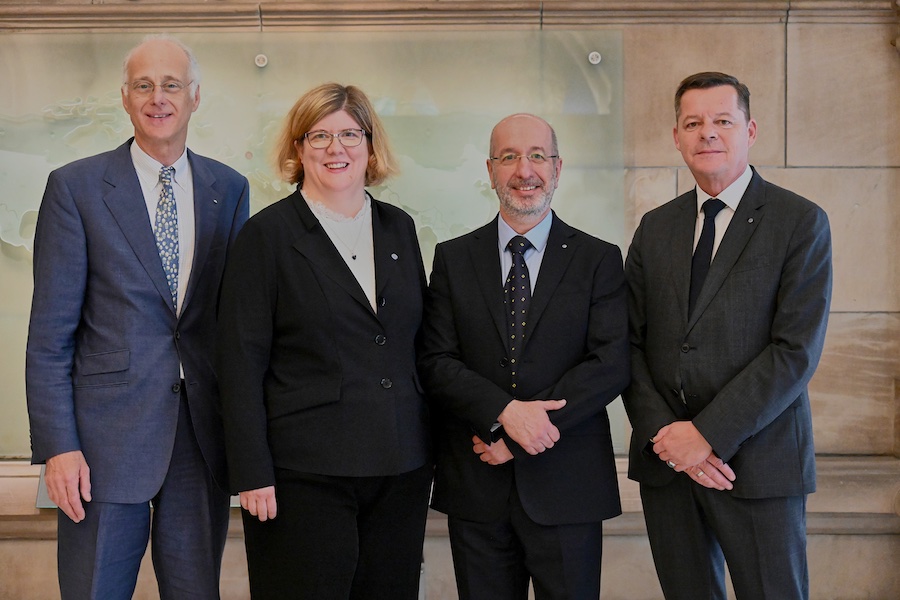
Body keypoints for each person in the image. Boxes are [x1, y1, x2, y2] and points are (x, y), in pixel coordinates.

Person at [25, 34, 250, 599]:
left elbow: (239, 328)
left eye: (171, 84)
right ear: (124, 98)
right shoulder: (75, 188)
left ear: (195, 96)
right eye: (143, 85)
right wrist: (59, 446)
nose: (158, 97)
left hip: (200, 443)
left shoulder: (230, 188)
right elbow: (49, 336)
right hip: (101, 448)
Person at [215, 82, 432, 600]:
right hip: (303, 474)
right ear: (298, 149)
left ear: (370, 145)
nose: (337, 148)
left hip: (399, 467)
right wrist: (251, 472)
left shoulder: (399, 228)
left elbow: (416, 343)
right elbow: (239, 360)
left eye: (350, 134)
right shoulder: (266, 236)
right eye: (320, 136)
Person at [623, 71, 832, 599]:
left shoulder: (799, 221)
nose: (707, 133)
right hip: (669, 467)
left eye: (722, 120)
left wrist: (706, 435)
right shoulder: (656, 226)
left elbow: (794, 352)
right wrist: (667, 438)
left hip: (759, 465)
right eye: (692, 123)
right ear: (676, 136)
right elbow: (626, 342)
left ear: (750, 129)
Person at [418, 113, 630, 600]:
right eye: (509, 157)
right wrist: (504, 415)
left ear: (558, 167)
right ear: (490, 170)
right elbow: (436, 360)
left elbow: (610, 363)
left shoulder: (598, 259)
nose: (524, 170)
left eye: (537, 156)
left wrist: (521, 435)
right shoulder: (453, 258)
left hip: (568, 486)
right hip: (478, 485)